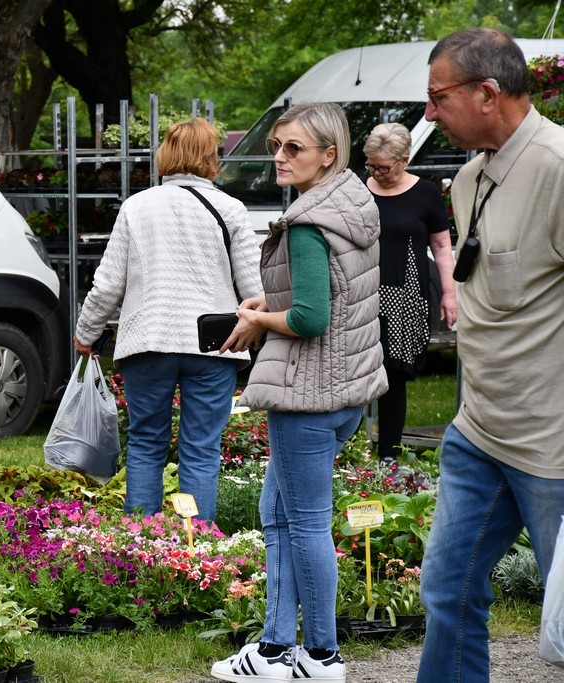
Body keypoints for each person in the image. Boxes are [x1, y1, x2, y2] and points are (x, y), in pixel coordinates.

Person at [210, 102, 387, 683]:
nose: (279, 156)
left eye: (295, 148)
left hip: (308, 393)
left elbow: (311, 318)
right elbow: (332, 295)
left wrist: (263, 321)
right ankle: (274, 649)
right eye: (277, 145)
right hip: (346, 391)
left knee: (304, 523)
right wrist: (271, 304)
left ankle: (322, 656)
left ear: (328, 155)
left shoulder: (310, 223)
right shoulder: (353, 201)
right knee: (277, 513)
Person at [416, 28, 564, 683]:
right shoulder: (471, 177)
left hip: (552, 447)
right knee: (447, 592)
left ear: (487, 93)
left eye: (436, 97)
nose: (427, 113)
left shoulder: (558, 168)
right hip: (479, 434)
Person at [72, 117, 263, 523]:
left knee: (145, 443)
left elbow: (107, 286)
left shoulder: (136, 207)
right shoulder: (230, 209)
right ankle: (197, 548)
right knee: (202, 448)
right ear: (212, 158)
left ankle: (141, 542)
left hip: (148, 341)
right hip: (215, 346)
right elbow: (254, 290)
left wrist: (86, 334)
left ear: (166, 156)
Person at [362, 123, 457, 466]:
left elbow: (441, 244)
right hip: (362, 294)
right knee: (354, 369)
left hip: (405, 297)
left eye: (383, 167)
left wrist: (449, 293)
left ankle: (388, 453)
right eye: (371, 165)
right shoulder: (360, 189)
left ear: (404, 160)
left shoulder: (425, 193)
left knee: (393, 374)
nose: (376, 172)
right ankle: (353, 445)